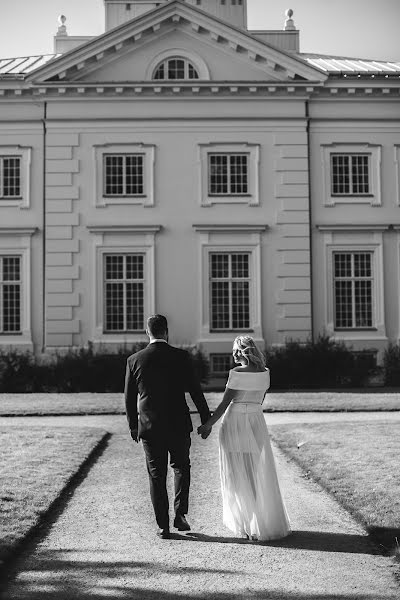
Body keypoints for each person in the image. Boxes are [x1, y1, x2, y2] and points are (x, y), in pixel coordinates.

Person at [124, 314, 212, 539]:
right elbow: (195, 390)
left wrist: (133, 425)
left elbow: (129, 397)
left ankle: (163, 525)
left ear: (148, 332)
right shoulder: (181, 357)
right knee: (181, 467)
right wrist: (205, 419)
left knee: (156, 475)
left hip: (150, 426)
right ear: (166, 331)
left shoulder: (135, 360)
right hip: (178, 423)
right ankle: (180, 514)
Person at [197, 335, 291, 541]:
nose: (232, 353)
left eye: (234, 350)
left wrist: (207, 425)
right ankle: (257, 522)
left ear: (240, 352)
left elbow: (224, 404)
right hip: (256, 421)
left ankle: (245, 523)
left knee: (236, 474)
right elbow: (260, 400)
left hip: (236, 421)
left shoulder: (236, 373)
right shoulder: (265, 373)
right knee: (253, 471)